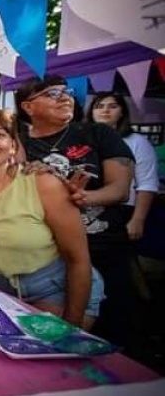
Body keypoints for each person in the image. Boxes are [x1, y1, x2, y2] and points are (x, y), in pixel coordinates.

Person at [0, 108, 103, 328]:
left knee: (49, 356)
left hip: (54, 288)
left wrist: (72, 326)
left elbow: (77, 258)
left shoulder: (43, 184)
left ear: (13, 146)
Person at [15, 75, 135, 344]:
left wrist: (85, 197)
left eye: (66, 92)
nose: (64, 97)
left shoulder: (98, 133)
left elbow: (120, 189)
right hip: (52, 255)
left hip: (102, 245)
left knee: (114, 329)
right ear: (28, 107)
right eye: (52, 94)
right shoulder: (18, 142)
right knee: (58, 334)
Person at [86, 92, 158, 243]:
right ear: (91, 112)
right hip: (85, 208)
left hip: (121, 210)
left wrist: (138, 219)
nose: (105, 110)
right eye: (99, 106)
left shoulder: (137, 142)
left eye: (112, 106)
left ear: (121, 113)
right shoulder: (80, 140)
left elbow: (147, 184)